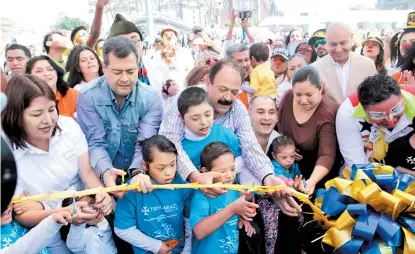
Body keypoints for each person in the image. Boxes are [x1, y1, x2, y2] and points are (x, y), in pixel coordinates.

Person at [159, 60, 301, 216]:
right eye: (222, 89)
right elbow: (169, 146)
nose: (227, 97)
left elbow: (250, 148)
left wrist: (268, 178)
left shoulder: (238, 109)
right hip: (182, 190)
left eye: (234, 92)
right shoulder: (184, 101)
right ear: (208, 82)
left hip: (223, 195)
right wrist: (196, 176)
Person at [1, 75, 112, 253]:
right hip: (46, 231)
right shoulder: (6, 152)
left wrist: (101, 195)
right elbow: (22, 213)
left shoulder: (69, 127)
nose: (48, 120)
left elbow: (86, 172)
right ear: (16, 116)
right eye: (36, 114)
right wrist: (64, 213)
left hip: (85, 214)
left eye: (52, 109)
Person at [77, 36, 162, 198]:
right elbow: (95, 143)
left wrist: (137, 172)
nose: (125, 79)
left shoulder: (151, 98)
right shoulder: (87, 96)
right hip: (100, 178)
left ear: (138, 65)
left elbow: (145, 142)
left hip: (141, 178)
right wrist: (106, 172)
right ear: (104, 67)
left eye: (130, 71)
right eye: (117, 72)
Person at [114, 135, 192, 254]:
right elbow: (122, 229)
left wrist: (187, 250)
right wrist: (156, 246)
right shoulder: (133, 189)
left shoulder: (180, 184)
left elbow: (189, 217)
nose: (169, 173)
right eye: (161, 168)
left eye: (172, 164)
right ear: (145, 166)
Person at [278, 65, 340, 193]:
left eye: (309, 94)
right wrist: (288, 147)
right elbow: (279, 129)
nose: (303, 100)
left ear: (321, 88)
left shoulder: (328, 112)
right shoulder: (287, 98)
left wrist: (311, 181)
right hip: (288, 173)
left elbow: (327, 154)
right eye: (298, 94)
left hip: (319, 177)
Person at [190, 142, 258, 254]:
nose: (230, 176)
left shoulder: (235, 190)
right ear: (205, 172)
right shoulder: (202, 196)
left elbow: (232, 214)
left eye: (232, 169)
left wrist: (242, 220)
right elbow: (199, 231)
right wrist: (233, 210)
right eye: (222, 171)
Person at [336, 74, 415, 168]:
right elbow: (356, 164)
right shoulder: (348, 111)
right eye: (378, 115)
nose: (390, 121)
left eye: (396, 109)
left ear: (401, 98)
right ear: (365, 111)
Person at [107, 14, 170, 101]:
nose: (131, 46)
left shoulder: (159, 67)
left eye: (134, 41)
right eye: (122, 43)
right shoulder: (106, 77)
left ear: (141, 43)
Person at [178, 86, 242, 170]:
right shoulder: (179, 147)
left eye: (208, 115)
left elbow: (241, 160)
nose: (204, 122)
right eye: (195, 118)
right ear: (181, 118)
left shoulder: (226, 135)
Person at [312, 23, 377, 104]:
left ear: (352, 39)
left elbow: (374, 99)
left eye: (343, 43)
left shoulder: (367, 65)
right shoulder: (315, 69)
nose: (338, 49)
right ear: (327, 42)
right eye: (333, 44)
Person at [1, 204, 75, 254]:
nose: (5, 208)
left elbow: (55, 242)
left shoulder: (16, 213)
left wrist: (40, 205)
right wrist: (52, 221)